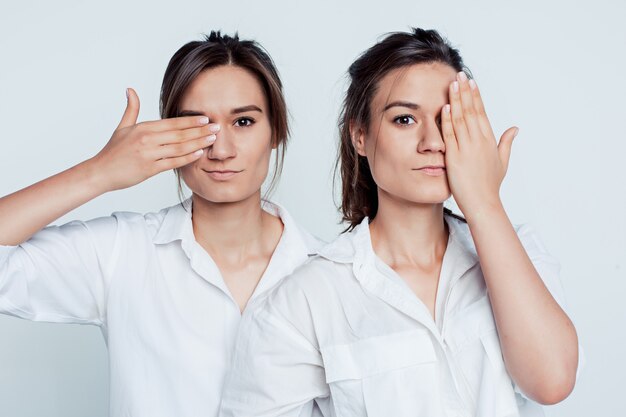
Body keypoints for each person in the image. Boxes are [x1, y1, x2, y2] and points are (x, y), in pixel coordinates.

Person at [219, 28, 580, 417]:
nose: (433, 141)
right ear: (360, 135)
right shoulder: (304, 300)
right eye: (405, 119)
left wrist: (484, 203)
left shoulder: (517, 251)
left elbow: (552, 381)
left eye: (447, 119)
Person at [0, 31, 322, 417]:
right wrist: (99, 173)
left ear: (276, 132)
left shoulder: (327, 270)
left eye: (244, 121)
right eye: (198, 125)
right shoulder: (124, 251)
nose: (221, 150)